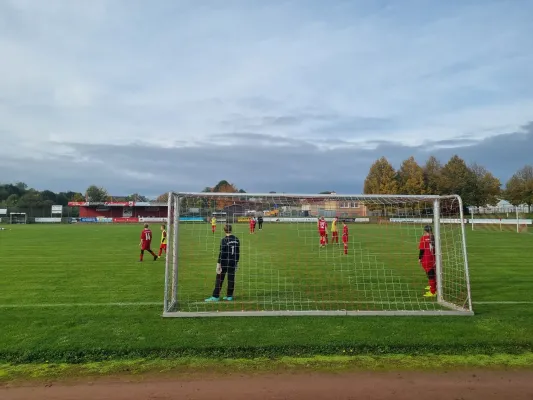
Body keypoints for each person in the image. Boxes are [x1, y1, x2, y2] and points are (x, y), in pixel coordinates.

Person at [205, 224, 241, 302]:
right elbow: (238, 252)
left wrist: (218, 264)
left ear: (224, 230)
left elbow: (222, 253)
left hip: (225, 262)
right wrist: (237, 262)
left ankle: (215, 296)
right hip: (233, 262)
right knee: (231, 279)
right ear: (231, 229)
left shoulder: (224, 240)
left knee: (219, 279)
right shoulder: (236, 239)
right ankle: (229, 296)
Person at [419, 225, 436, 297]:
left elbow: (422, 250)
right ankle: (433, 286)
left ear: (425, 231)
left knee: (430, 274)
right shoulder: (433, 237)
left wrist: (419, 258)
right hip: (433, 258)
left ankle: (433, 292)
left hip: (426, 258)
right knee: (432, 272)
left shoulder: (423, 238)